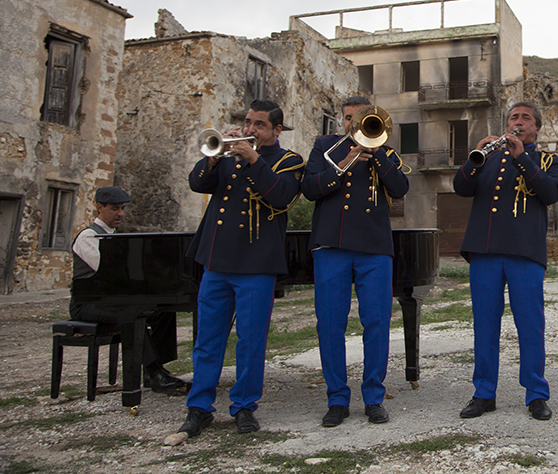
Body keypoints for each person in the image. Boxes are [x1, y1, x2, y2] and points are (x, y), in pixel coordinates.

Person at [175, 100, 304, 438]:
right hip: (217, 261)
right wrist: (214, 156)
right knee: (207, 339)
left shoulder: (289, 162)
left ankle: (244, 406)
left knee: (250, 341)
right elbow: (197, 183)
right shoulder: (228, 156)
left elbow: (281, 198)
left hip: (257, 264)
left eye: (259, 125)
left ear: (276, 130)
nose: (250, 130)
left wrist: (253, 159)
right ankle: (198, 407)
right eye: (248, 123)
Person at [301, 95, 410, 428]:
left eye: (360, 119)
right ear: (342, 121)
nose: (353, 124)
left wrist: (376, 157)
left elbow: (400, 187)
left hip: (374, 248)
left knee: (376, 323)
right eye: (349, 118)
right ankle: (337, 399)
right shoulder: (325, 147)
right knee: (330, 325)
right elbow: (310, 188)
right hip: (331, 244)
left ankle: (374, 397)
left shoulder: (386, 152)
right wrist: (346, 160)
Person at [454, 101, 558, 421]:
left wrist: (522, 158)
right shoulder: (488, 157)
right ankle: (483, 393)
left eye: (525, 118)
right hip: (485, 251)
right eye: (513, 117)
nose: (518, 122)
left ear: (536, 128)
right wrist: (475, 158)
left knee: (530, 327)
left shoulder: (547, 160)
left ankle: (536, 394)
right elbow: (461, 187)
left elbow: (551, 192)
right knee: (484, 326)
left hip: (525, 253)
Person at [70, 186, 187, 395]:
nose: (120, 214)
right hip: (87, 304)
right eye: (115, 209)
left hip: (113, 301)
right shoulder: (88, 237)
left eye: (123, 208)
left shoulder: (116, 237)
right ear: (100, 207)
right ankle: (155, 372)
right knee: (133, 315)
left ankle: (155, 370)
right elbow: (109, 272)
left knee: (163, 312)